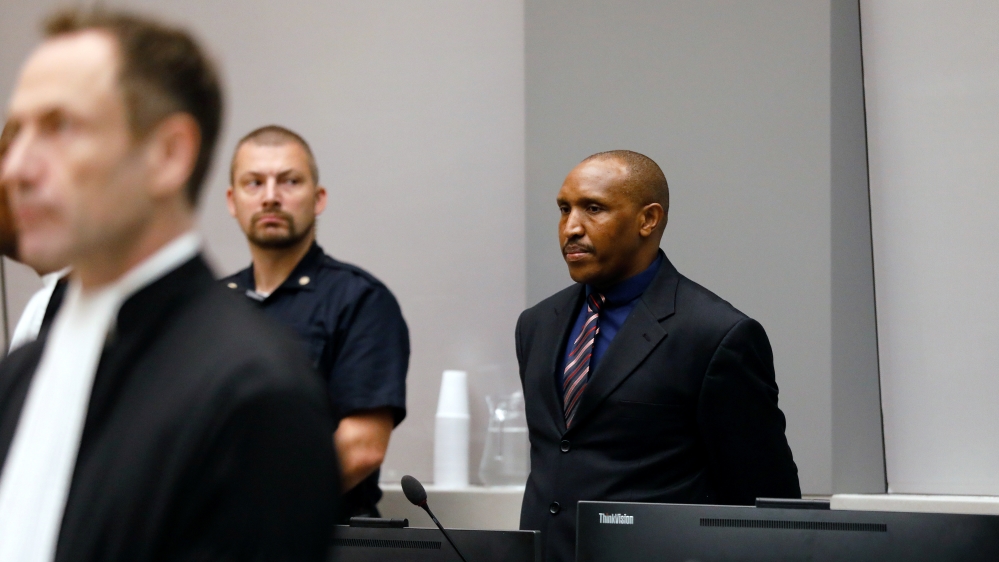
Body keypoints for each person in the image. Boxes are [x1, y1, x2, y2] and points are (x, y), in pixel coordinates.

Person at [0, 9, 338, 561]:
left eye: (60, 127)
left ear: (168, 154)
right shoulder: (21, 376)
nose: (16, 169)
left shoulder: (254, 395)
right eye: (17, 133)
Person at [517, 150, 800, 562]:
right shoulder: (537, 324)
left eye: (593, 208)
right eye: (564, 209)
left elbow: (765, 499)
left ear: (648, 219)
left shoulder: (715, 335)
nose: (571, 228)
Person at [223, 125, 409, 521]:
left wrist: (245, 512)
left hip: (320, 537)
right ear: (232, 201)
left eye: (289, 181)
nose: (270, 196)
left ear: (318, 198)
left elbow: (362, 447)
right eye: (254, 183)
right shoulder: (209, 307)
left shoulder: (360, 300)